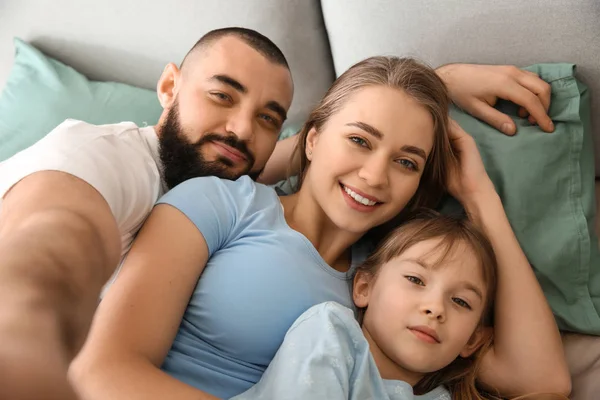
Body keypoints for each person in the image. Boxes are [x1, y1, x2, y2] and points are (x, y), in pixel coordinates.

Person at [70, 57, 568, 400]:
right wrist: (438, 78)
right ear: (310, 140)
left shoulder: (393, 280)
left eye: (407, 162)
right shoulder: (222, 202)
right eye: (358, 140)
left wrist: (480, 196)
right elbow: (103, 371)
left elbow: (541, 378)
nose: (375, 176)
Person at [232, 212, 568, 400]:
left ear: (472, 341)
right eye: (416, 280)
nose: (435, 308)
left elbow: (548, 389)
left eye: (461, 301)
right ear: (364, 287)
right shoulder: (330, 332)